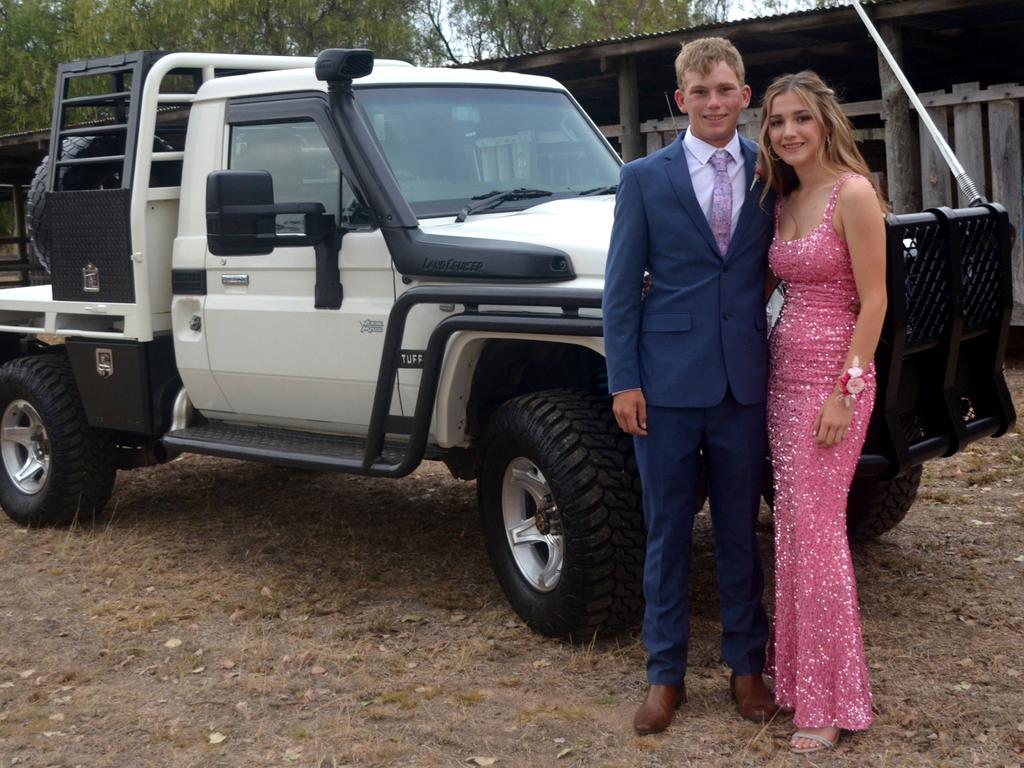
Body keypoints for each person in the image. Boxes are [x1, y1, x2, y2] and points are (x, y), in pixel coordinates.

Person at [603, 37, 778, 736]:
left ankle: (746, 668)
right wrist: (625, 382)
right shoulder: (644, 179)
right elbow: (619, 292)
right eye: (699, 92)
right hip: (666, 388)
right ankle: (664, 674)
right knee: (668, 531)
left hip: (743, 383)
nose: (713, 102)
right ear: (681, 100)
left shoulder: (771, 173)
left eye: (725, 89)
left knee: (740, 530)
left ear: (744, 95)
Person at [758, 70, 888, 754]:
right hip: (782, 379)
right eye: (777, 121)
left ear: (825, 122)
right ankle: (796, 679)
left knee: (820, 534)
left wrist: (846, 389)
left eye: (800, 119)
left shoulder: (853, 193)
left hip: (835, 382)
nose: (788, 132)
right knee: (793, 532)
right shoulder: (788, 197)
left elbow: (875, 301)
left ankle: (833, 700)